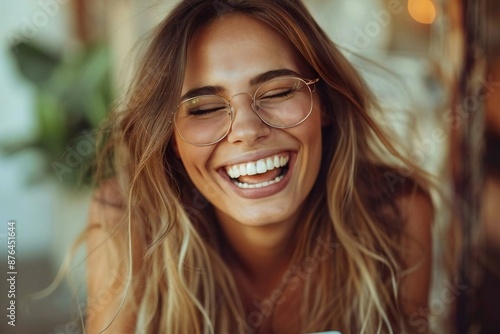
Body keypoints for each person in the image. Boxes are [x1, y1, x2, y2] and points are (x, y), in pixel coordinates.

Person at [85, 0, 433, 333]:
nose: (247, 131)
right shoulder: (126, 223)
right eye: (204, 109)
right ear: (172, 140)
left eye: (278, 92)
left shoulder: (395, 215)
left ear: (324, 103)